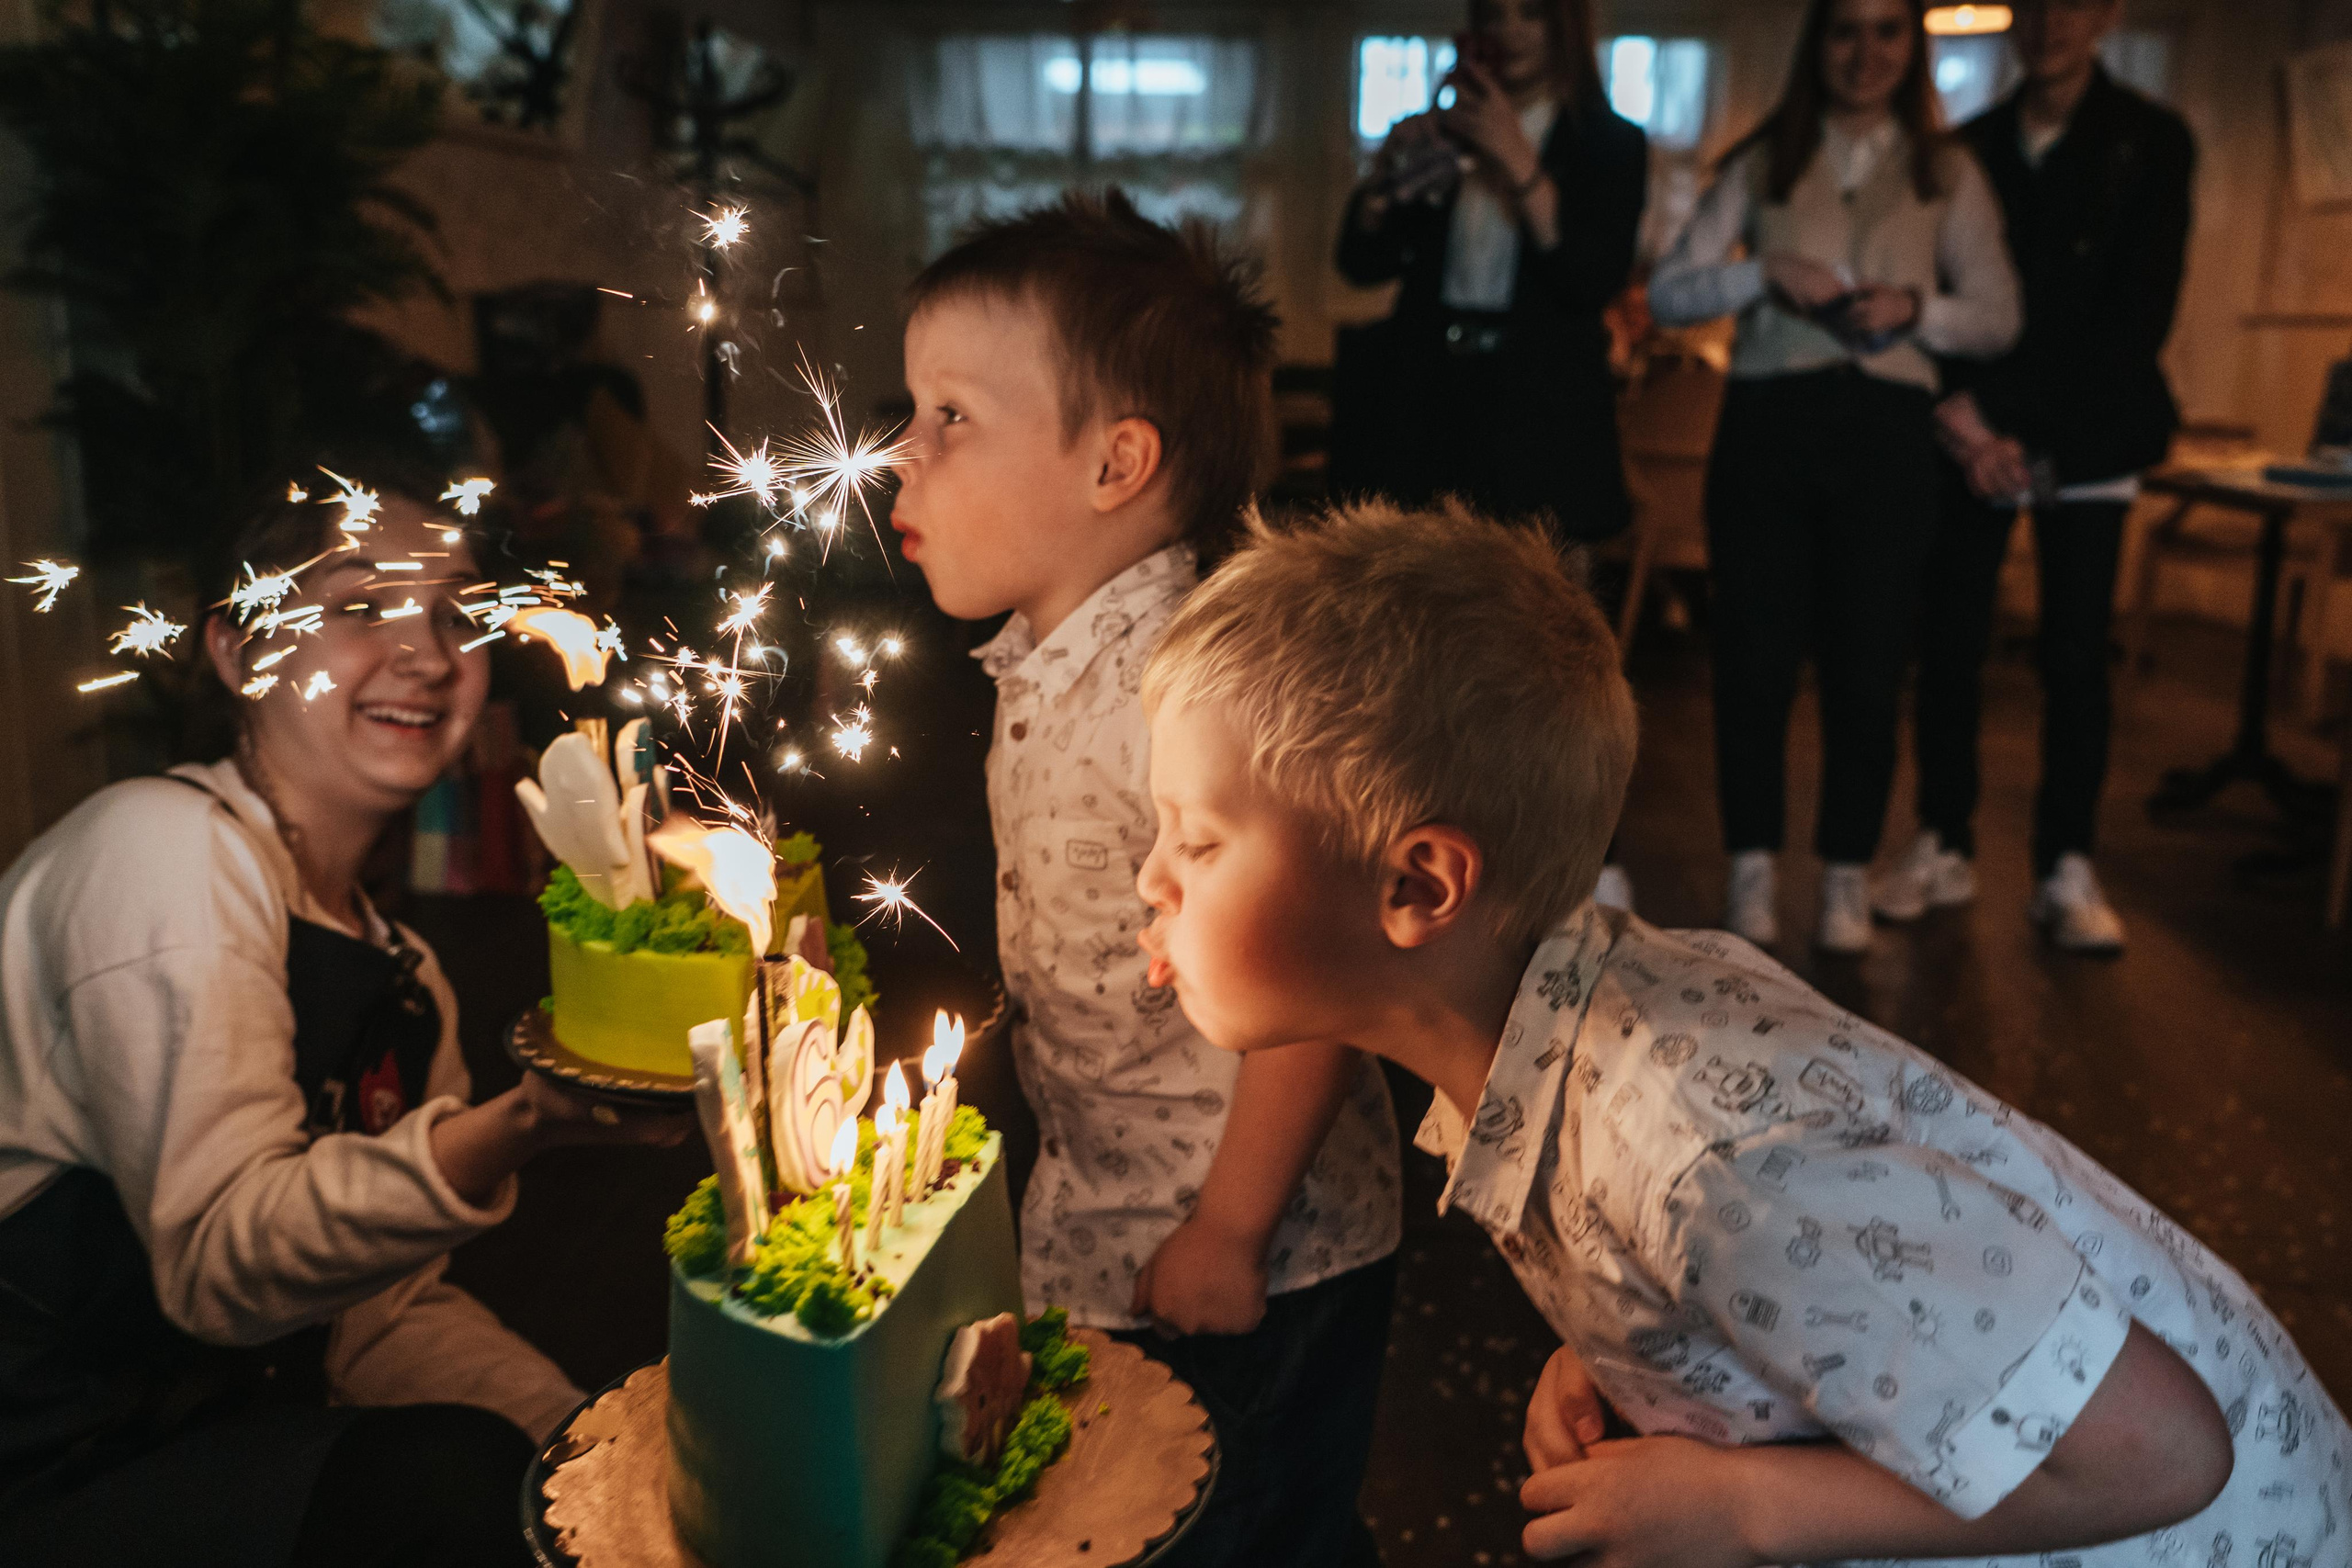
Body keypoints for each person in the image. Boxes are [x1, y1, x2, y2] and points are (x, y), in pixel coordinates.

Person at [1134, 494, 2349, 1568]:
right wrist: (1652, 1370)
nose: (1151, 880)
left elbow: (2163, 1452)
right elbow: (1804, 1289)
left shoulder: (1705, 1152)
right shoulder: (1558, 1024)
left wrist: (1748, 1503)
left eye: (1197, 839)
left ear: (1420, 886)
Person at [0, 467, 685, 1568]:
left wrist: (587, 1447)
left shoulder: (409, 981)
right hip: (45, 1477)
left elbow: (378, 1319)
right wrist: (522, 1123)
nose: (425, 654)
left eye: (457, 614)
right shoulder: (159, 847)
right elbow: (221, 1263)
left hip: (219, 1454)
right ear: (236, 650)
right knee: (440, 1483)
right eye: (360, 605)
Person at [888, 191, 1403, 1568]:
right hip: (1118, 1213)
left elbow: (1315, 983)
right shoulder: (1054, 651)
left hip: (1256, 1248)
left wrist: (1228, 1230)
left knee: (1240, 1531)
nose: (898, 452)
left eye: (950, 416)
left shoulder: (1181, 680)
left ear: (1115, 463)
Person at [1648, 0, 2019, 954]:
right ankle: (1751, 871)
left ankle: (1846, 873)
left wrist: (1916, 306)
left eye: (1887, 30)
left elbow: (1998, 317)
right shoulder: (1760, 161)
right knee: (1753, 661)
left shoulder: (1949, 172)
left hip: (1891, 440)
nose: (1866, 52)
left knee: (1867, 663)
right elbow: (1667, 292)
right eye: (1845, 30)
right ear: (1818, 44)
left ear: (1913, 47)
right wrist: (1759, 273)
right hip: (1768, 426)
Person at [1875, 0, 2195, 954]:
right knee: (1951, 643)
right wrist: (1970, 425)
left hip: (2086, 441)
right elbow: (1947, 294)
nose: (2054, 21)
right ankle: (1943, 840)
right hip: (1972, 435)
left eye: (2076, 4)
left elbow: (2136, 318)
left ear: (2106, 16)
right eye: (2037, 3)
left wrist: (2015, 427)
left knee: (2072, 655)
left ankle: (2065, 862)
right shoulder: (1966, 145)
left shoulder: (2152, 140)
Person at [1337, 0, 1647, 917]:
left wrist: (1519, 164)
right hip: (1431, 404)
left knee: (1560, 648)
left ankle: (1596, 853)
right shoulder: (1437, 130)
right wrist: (1391, 182)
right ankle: (1429, 845)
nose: (1507, 28)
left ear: (1564, 26)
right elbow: (1358, 259)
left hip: (1543, 415)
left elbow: (1591, 278)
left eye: (1527, 11)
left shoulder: (1607, 143)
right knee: (1422, 641)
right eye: (1490, 10)